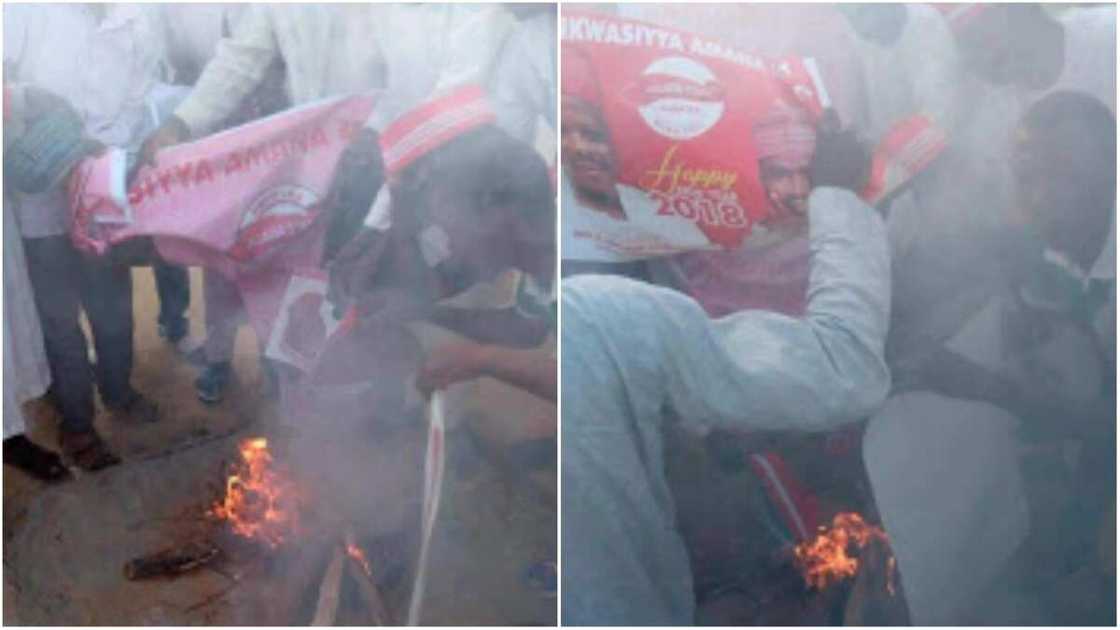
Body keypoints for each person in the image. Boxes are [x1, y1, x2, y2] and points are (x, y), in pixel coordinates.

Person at [560, 134, 890, 624]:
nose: (582, 148)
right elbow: (843, 367)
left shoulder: (587, 321)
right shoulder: (596, 319)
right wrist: (838, 195)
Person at [3, 4, 170, 469]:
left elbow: (143, 97)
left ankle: (118, 390)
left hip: (104, 188)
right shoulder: (23, 11)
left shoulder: (139, 15)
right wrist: (31, 113)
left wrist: (112, 156)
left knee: (113, 306)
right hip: (41, 196)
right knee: (60, 321)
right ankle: (78, 425)